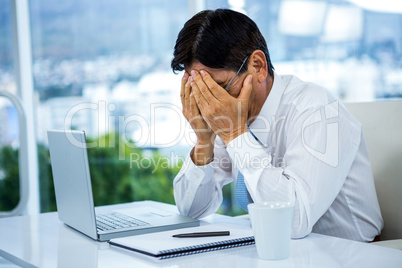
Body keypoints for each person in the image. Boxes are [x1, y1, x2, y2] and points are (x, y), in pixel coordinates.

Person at [170, 9, 383, 242]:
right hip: (281, 250)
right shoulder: (232, 113)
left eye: (217, 87)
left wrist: (236, 135)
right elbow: (190, 211)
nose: (210, 103)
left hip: (351, 253)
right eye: (198, 89)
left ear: (258, 66)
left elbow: (293, 221)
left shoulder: (318, 111)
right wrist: (204, 141)